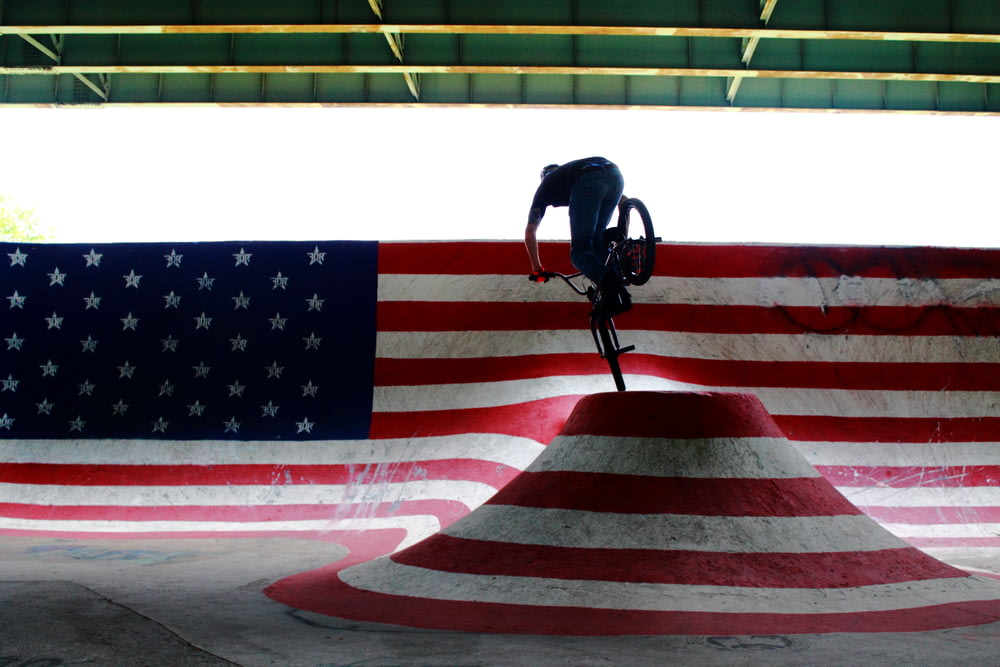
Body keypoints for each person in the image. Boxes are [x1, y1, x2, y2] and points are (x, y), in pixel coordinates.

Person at [524, 156, 631, 317]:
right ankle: (619, 287)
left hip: (587, 181)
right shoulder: (568, 172)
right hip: (615, 175)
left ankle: (610, 283)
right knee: (597, 241)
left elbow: (530, 232)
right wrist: (623, 236)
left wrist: (537, 268)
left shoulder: (546, 185)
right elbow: (625, 202)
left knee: (579, 252)